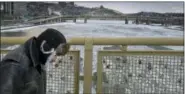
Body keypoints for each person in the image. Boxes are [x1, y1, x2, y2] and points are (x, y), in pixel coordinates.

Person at [0, 28, 70, 94]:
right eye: (55, 54)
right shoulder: (14, 65)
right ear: (45, 46)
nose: (55, 59)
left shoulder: (40, 59)